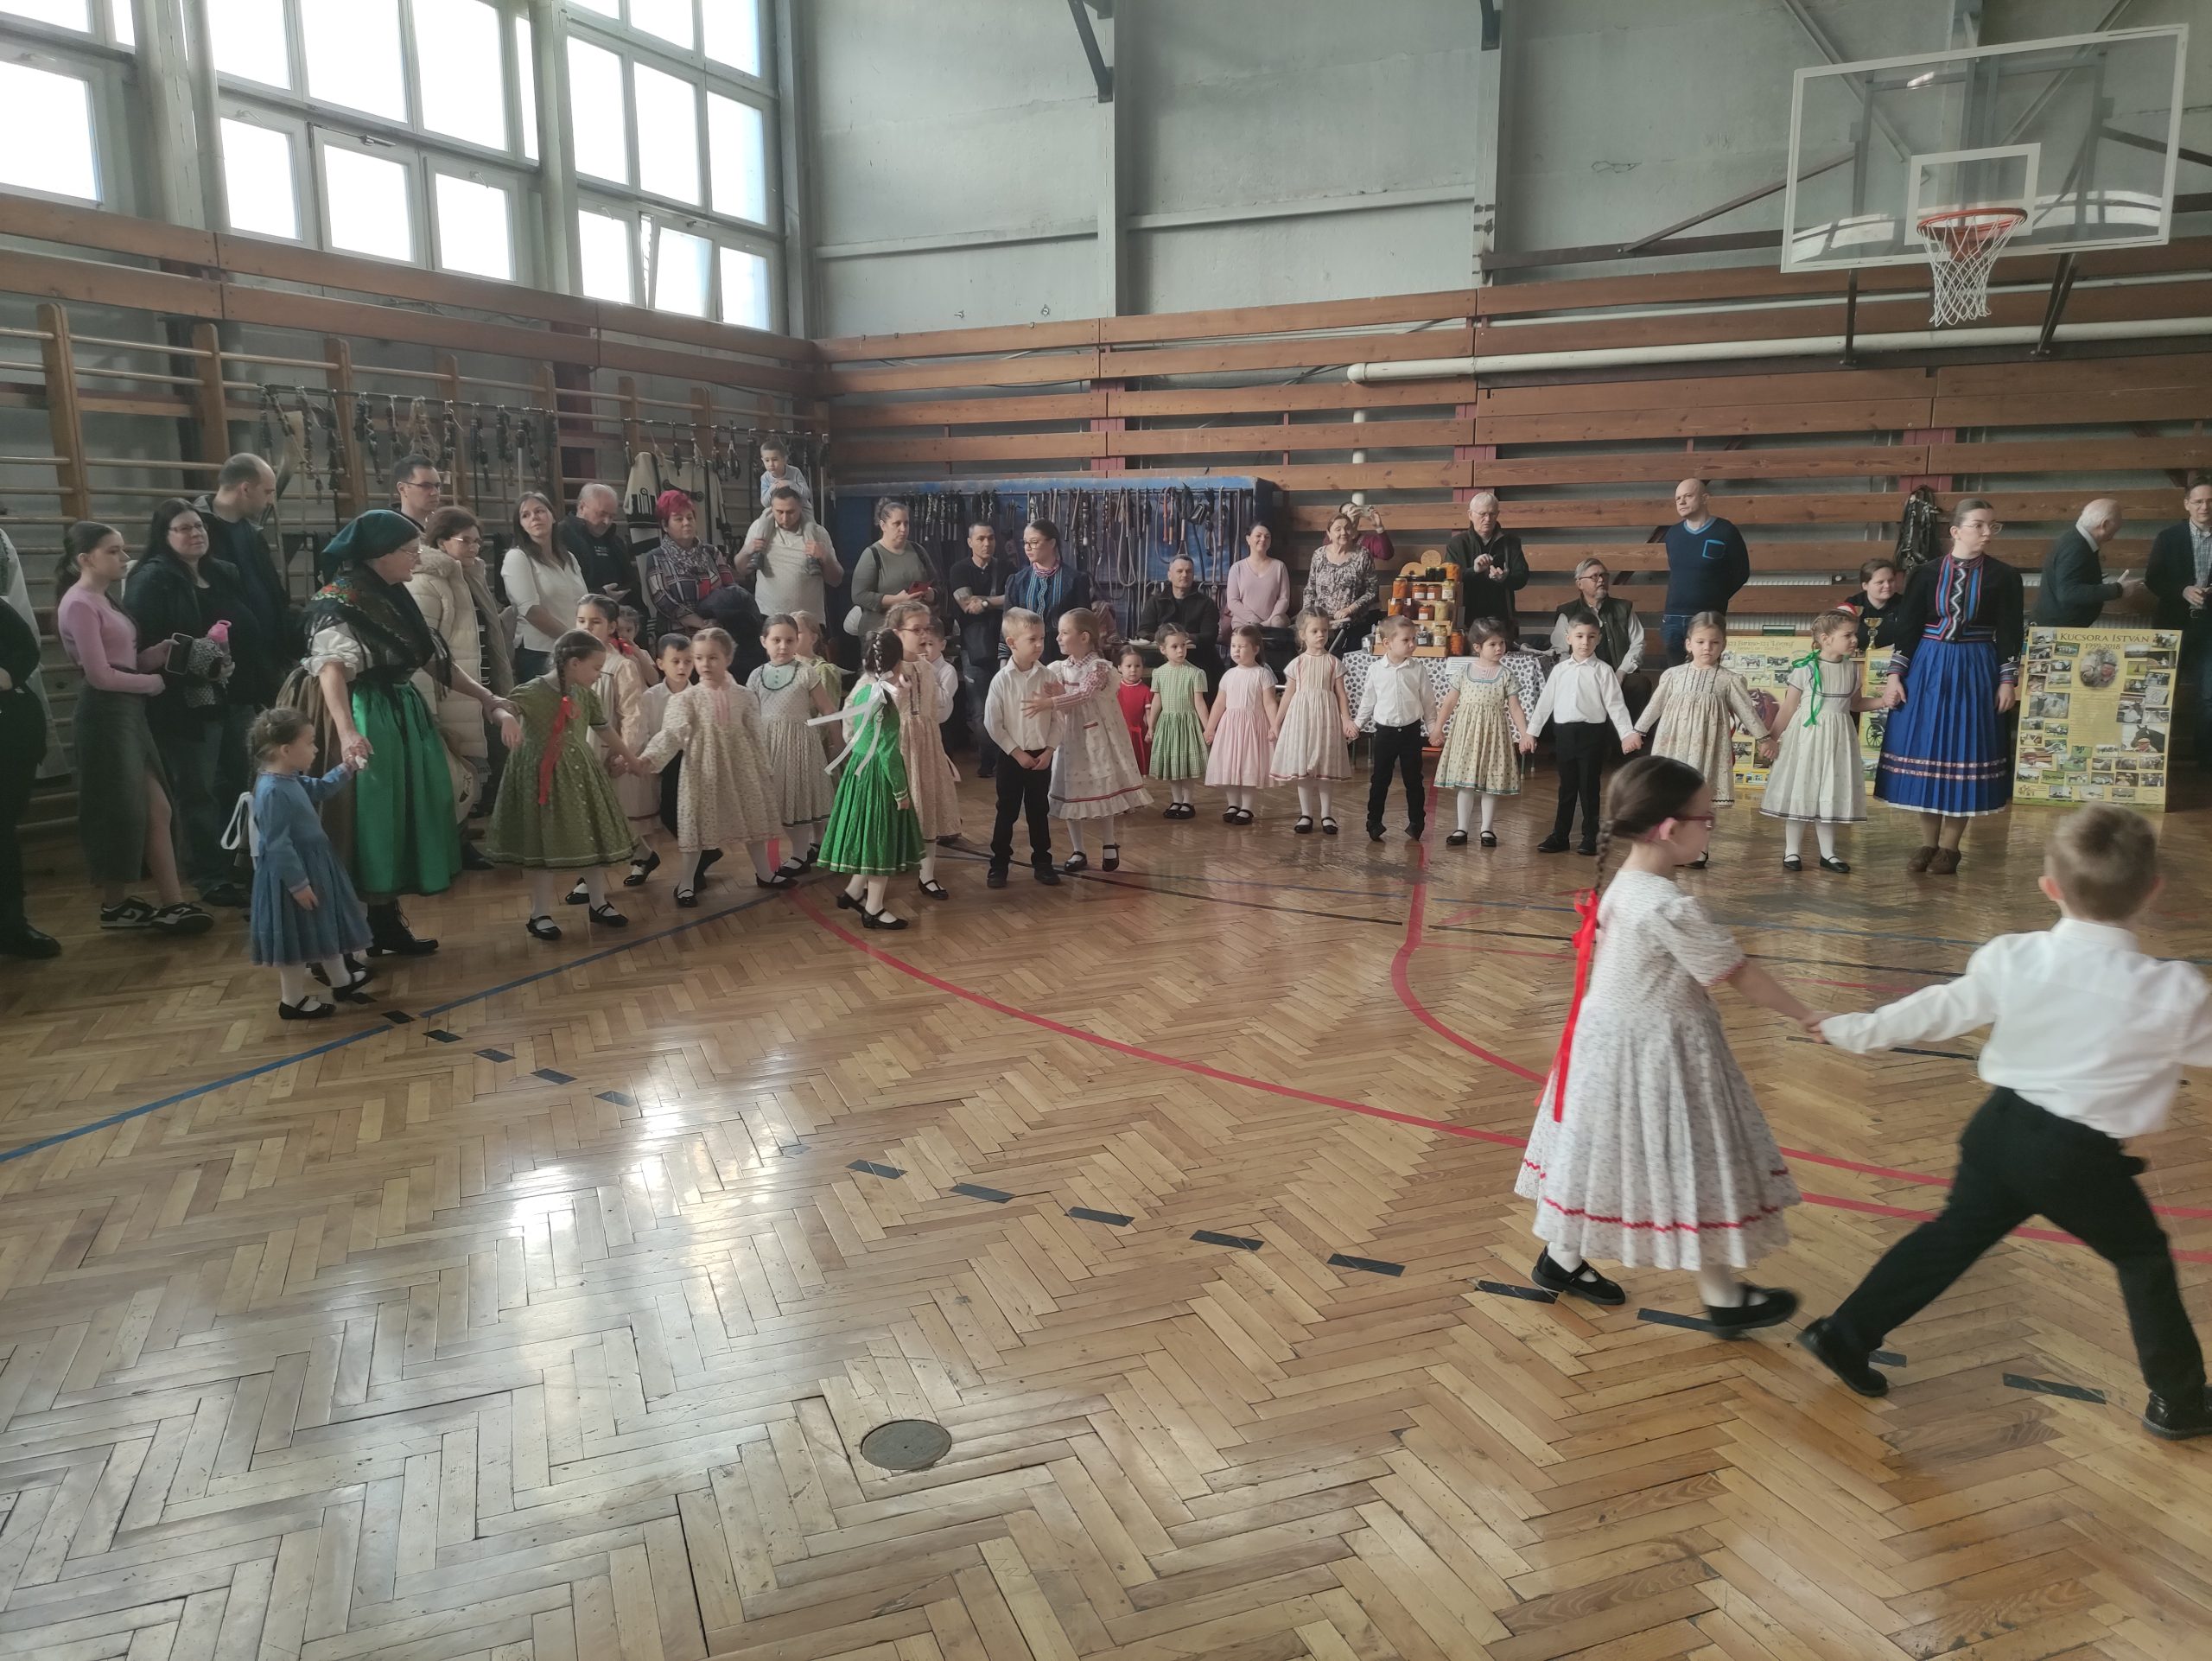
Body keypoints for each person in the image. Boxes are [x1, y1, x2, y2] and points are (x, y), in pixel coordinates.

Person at [1801, 805, 2212, 1440]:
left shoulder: (2014, 957)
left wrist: (1848, 1029)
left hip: (1999, 1132)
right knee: (2142, 1257)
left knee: (1951, 1237)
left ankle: (1845, 1334)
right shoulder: (2173, 991)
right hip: (2078, 1158)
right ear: (2153, 890)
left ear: (2049, 887)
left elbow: (1934, 1011)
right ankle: (2180, 1402)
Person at [1515, 754, 1814, 1327]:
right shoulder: (1667, 906)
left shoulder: (1625, 884)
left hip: (1609, 1048)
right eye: (1708, 819)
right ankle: (1722, 1298)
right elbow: (1739, 974)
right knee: (1691, 1163)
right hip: (1657, 1056)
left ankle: (1563, 1259)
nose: (1711, 828)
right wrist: (1806, 1015)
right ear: (1672, 829)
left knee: (1607, 1155)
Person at [306, 510, 518, 957]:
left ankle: (384, 922)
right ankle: (346, 939)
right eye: (408, 550)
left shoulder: (394, 595)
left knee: (399, 815)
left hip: (397, 711)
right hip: (362, 711)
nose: (417, 558)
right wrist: (347, 732)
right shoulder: (340, 599)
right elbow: (331, 670)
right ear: (379, 554)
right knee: (368, 818)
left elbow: (434, 660)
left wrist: (487, 698)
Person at [51, 522, 208, 937]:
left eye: (123, 549)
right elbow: (99, 675)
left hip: (127, 712)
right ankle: (124, 903)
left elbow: (122, 661)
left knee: (155, 809)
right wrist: (151, 683)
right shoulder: (79, 603)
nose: (124, 558)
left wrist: (155, 656)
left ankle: (161, 902)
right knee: (117, 809)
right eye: (113, 551)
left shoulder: (104, 600)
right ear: (85, 559)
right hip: (105, 715)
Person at [126, 497, 275, 910]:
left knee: (243, 783)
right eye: (184, 528)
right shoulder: (152, 580)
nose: (196, 534)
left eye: (200, 527)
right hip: (187, 702)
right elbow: (145, 644)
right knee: (199, 791)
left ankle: (244, 863)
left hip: (237, 694)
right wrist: (202, 661)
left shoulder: (223, 572)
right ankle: (210, 874)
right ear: (164, 536)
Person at [1873, 497, 2024, 875]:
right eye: (1979, 525)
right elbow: (1908, 628)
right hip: (1928, 667)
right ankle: (1927, 843)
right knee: (1928, 749)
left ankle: (1950, 848)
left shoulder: (2005, 576)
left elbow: (2010, 632)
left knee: (1965, 752)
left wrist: (2007, 681)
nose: (1988, 532)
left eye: (1992, 526)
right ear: (1956, 530)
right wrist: (1895, 676)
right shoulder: (1925, 573)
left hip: (1976, 667)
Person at [483, 628, 643, 941]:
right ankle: (539, 914)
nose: (599, 675)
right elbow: (500, 707)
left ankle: (598, 903)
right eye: (596, 668)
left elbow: (604, 729)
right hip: (541, 776)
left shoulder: (585, 694)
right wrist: (507, 719)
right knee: (543, 842)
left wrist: (631, 758)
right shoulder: (532, 691)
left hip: (580, 774)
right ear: (573, 663)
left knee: (592, 836)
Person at [635, 627, 791, 907]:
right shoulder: (686, 699)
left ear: (728, 658)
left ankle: (765, 873)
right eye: (699, 658)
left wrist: (765, 768)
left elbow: (756, 733)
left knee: (753, 817)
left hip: (742, 767)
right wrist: (648, 758)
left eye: (713, 658)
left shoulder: (744, 695)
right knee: (696, 824)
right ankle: (686, 883)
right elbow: (671, 734)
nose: (705, 664)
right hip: (702, 770)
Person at [238, 708, 372, 1020]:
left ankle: (341, 981)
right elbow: (277, 844)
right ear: (286, 750)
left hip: (312, 865)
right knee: (296, 937)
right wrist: (298, 885)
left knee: (323, 925)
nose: (315, 749)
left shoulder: (288, 778)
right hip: (293, 874)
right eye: (310, 743)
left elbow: (321, 789)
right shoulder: (272, 791)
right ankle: (292, 1000)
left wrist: (348, 766)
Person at [406, 506, 512, 853]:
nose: (474, 548)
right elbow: (422, 651)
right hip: (452, 694)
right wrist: (429, 711)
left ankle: (483, 841)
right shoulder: (426, 582)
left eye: (477, 541)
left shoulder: (472, 576)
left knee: (486, 767)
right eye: (465, 540)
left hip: (483, 686)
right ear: (441, 542)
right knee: (457, 772)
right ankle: (455, 848)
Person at [1022, 607, 1149, 872]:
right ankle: (1078, 849)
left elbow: (1085, 694)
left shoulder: (1099, 667)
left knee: (1102, 788)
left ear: (1084, 637)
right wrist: (1055, 695)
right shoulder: (1060, 668)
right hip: (1068, 739)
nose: (1058, 638)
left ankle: (1109, 843)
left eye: (1064, 633)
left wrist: (1051, 701)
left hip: (1094, 739)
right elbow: (1065, 699)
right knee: (1071, 791)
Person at [1634, 612, 1770, 850]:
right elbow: (1655, 705)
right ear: (1689, 644)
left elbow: (1747, 712)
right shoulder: (1673, 676)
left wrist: (1764, 738)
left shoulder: (1729, 680)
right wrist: (1638, 731)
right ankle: (1668, 843)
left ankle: (1699, 849)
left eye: (1714, 642)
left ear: (1723, 645)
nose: (1707, 647)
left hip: (1707, 749)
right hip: (1673, 745)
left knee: (1699, 796)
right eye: (1700, 642)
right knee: (1671, 792)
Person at [821, 629, 925, 930]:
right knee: (881, 843)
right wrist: (901, 792)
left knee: (868, 837)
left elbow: (855, 731)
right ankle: (874, 908)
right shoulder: (884, 701)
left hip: (859, 771)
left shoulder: (864, 691)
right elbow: (888, 752)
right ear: (897, 664)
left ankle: (855, 890)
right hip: (879, 777)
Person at [1761, 610, 1875, 875]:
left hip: (1838, 740)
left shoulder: (1852, 670)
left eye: (1855, 634)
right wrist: (1771, 739)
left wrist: (1884, 702)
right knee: (1801, 789)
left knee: (1829, 792)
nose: (1854, 640)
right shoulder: (1806, 669)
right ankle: (1792, 850)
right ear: (1825, 639)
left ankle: (1828, 853)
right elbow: (1788, 708)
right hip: (1807, 739)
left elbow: (1856, 704)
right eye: (1847, 635)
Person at [1529, 617, 1643, 856]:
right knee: (1567, 787)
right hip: (1565, 734)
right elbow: (1545, 703)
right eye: (1579, 636)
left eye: (1591, 637)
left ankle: (1591, 836)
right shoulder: (1560, 670)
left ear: (1598, 639)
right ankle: (1560, 835)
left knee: (1589, 787)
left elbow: (1615, 705)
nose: (1585, 642)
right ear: (1569, 638)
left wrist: (1627, 734)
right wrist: (1531, 733)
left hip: (1592, 734)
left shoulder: (1604, 671)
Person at [572, 595, 659, 890]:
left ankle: (590, 882)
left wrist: (626, 753)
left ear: (611, 626)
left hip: (608, 752)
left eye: (595, 622)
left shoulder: (621, 666)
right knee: (593, 814)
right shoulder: (570, 663)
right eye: (581, 621)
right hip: (580, 749)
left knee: (607, 815)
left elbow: (633, 715)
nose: (587, 627)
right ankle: (644, 856)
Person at [747, 614, 839, 875]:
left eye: (789, 640)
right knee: (778, 800)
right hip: (769, 746)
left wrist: (839, 744)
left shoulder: (805, 672)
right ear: (764, 641)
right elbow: (750, 714)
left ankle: (800, 854)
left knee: (797, 799)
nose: (783, 646)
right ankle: (802, 850)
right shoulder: (756, 675)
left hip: (799, 745)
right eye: (776, 640)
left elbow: (828, 709)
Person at [1433, 620, 1536, 849]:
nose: (1499, 648)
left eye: (1502, 643)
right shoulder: (1464, 672)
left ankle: (1487, 829)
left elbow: (1515, 708)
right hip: (1466, 734)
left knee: (1491, 781)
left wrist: (1525, 734)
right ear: (1477, 647)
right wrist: (1438, 727)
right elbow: (1449, 702)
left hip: (1494, 734)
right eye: (1493, 644)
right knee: (1465, 783)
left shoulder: (1506, 675)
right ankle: (1462, 827)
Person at [982, 608, 1063, 889]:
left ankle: (1043, 862)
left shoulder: (1048, 677)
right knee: (1007, 811)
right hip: (1012, 757)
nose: (1039, 645)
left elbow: (1058, 719)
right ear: (1012, 642)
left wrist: (1049, 751)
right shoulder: (1001, 680)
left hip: (1041, 757)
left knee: (1039, 811)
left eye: (1042, 638)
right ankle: (999, 864)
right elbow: (993, 723)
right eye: (1032, 639)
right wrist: (1017, 753)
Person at [887, 601, 960, 897]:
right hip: (897, 747)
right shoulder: (884, 670)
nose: (923, 635)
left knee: (928, 806)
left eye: (926, 629)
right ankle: (883, 871)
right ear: (897, 632)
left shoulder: (928, 669)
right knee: (894, 808)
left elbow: (933, 711)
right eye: (916, 629)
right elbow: (871, 711)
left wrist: (937, 750)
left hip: (927, 746)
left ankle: (927, 875)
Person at [199, 453, 299, 660]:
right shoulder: (197, 535)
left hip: (266, 654)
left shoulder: (253, 534)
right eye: (267, 492)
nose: (271, 501)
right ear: (245, 489)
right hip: (229, 656)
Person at [0, 590, 56, 957]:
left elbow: (25, 648)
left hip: (9, 732)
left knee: (2, 829)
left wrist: (5, 673)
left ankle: (11, 926)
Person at [1269, 611, 1357, 834]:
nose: (1321, 635)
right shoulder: (1297, 664)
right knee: (1304, 766)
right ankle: (1306, 814)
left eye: (1324, 630)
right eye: (1315, 631)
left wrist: (1346, 718)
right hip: (1302, 718)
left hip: (1326, 718)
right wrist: (1276, 723)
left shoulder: (1333, 663)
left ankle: (1327, 814)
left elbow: (1341, 695)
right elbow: (1288, 695)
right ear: (1303, 635)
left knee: (1324, 765)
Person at [2145, 475, 2212, 771]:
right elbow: (2153, 579)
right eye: (2198, 501)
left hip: (2209, 629)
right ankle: (2150, 760)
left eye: (2209, 501)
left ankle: (2205, 762)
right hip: (2171, 626)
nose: (2204, 507)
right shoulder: (2168, 537)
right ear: (2187, 504)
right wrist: (2182, 590)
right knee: (2158, 693)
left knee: (2209, 697)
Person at [1357, 615, 1436, 843]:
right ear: (1387, 643)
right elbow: (1368, 700)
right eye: (1406, 640)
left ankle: (1416, 822)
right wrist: (1358, 724)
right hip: (1385, 733)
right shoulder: (1375, 670)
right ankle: (1374, 821)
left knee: (1414, 779)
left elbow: (1428, 701)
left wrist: (1432, 728)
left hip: (1411, 732)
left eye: (1414, 639)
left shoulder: (1418, 669)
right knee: (1380, 779)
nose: (1412, 644)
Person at [1662, 479, 1750, 664]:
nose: (1681, 502)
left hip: (1708, 616)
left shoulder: (1726, 531)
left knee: (1707, 670)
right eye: (1678, 498)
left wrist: (1715, 596)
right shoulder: (1672, 534)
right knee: (1675, 673)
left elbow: (1741, 573)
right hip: (1673, 617)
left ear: (1705, 498)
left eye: (1688, 496)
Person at [951, 521, 1014, 770]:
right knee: (980, 707)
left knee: (1006, 704)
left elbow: (1014, 598)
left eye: (990, 538)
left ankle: (1006, 759)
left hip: (1005, 645)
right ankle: (988, 759)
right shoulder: (959, 569)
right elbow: (967, 604)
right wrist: (997, 601)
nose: (986, 543)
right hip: (973, 648)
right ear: (970, 542)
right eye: (980, 539)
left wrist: (985, 602)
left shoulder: (1007, 568)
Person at [504, 492, 588, 680]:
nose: (534, 518)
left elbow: (582, 602)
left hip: (575, 649)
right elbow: (531, 611)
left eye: (539, 511)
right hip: (540, 653)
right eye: (525, 515)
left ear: (553, 516)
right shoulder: (517, 557)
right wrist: (573, 639)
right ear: (521, 525)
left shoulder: (569, 558)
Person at [737, 487, 843, 626]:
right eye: (779, 512)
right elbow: (741, 569)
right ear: (771, 508)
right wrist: (747, 550)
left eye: (790, 512)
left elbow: (836, 580)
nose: (785, 518)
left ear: (800, 508)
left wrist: (825, 557)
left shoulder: (818, 533)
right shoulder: (759, 529)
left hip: (808, 621)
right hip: (769, 617)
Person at [1205, 627, 1279, 825]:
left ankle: (1247, 807)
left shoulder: (1262, 674)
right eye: (1233, 646)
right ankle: (1233, 804)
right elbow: (1219, 703)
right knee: (1230, 765)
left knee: (1248, 765)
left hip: (1252, 728)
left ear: (1255, 649)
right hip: (1230, 728)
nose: (1236, 650)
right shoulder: (1228, 675)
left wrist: (1274, 726)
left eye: (1242, 646)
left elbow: (1270, 703)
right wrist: (1210, 727)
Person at [640, 487, 734, 640]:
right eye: (678, 519)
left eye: (690, 518)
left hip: (715, 635)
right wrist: (701, 624)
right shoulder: (656, 557)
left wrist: (716, 621)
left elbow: (731, 590)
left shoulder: (712, 552)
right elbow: (662, 600)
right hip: (676, 640)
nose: (686, 523)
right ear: (665, 525)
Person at [2033, 498, 2143, 626]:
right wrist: (2118, 589)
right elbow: (2069, 593)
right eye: (2118, 524)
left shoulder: (2075, 540)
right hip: (2056, 631)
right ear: (2105, 525)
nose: (2118, 529)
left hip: (2058, 627)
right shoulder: (2076, 547)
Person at [1001, 519, 1091, 663]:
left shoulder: (1075, 580)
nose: (1028, 548)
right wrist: (1004, 661)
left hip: (1063, 660)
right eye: (1025, 542)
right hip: (1025, 660)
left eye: (1034, 542)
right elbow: (1008, 625)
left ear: (1052, 543)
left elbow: (1084, 625)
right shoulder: (1017, 581)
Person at [1443, 493, 1532, 640]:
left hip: (1502, 617)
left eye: (1492, 514)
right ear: (1470, 515)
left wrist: (1504, 578)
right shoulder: (1457, 544)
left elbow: (1522, 578)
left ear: (1498, 514)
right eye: (1482, 514)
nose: (1488, 519)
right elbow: (1448, 582)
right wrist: (1474, 571)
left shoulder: (1511, 543)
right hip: (1467, 618)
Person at [1145, 625, 1210, 818]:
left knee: (1186, 766)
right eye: (1175, 646)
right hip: (1168, 724)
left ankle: (1188, 802)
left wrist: (1208, 728)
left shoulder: (1196, 673)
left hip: (1187, 724)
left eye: (1183, 645)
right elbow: (1157, 700)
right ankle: (1176, 800)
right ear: (1163, 649)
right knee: (1173, 764)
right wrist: (1151, 726)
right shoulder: (1159, 673)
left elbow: (1199, 703)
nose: (1181, 650)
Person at [849, 500, 933, 634]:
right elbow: (859, 595)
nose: (903, 529)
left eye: (906, 523)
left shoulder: (919, 551)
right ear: (883, 526)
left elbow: (937, 584)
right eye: (897, 524)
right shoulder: (872, 554)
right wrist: (896, 600)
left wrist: (931, 594)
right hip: (881, 631)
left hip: (915, 630)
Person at [1135, 555, 1223, 684]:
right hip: (1161, 658)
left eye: (1189, 571)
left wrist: (1187, 638)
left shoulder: (1206, 603)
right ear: (1170, 575)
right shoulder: (1155, 602)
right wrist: (1167, 640)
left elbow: (1210, 635)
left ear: (1193, 575)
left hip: (1198, 659)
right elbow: (1143, 631)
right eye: (1179, 571)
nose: (1184, 575)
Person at [1549, 558, 1645, 673]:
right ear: (1579, 584)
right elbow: (1560, 651)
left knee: (1640, 682)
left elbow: (1638, 644)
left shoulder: (1624, 609)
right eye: (1594, 576)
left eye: (1604, 575)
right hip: (1579, 674)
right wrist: (1576, 675)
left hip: (1620, 674)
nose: (1601, 580)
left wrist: (1622, 672)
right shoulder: (1567, 613)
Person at [1302, 512, 1378, 655]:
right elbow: (1310, 589)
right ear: (1329, 533)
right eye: (1338, 529)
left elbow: (1372, 591)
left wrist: (1349, 609)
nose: (1343, 532)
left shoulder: (1363, 555)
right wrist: (1308, 617)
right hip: (1321, 626)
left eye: (1347, 528)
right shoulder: (1318, 555)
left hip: (1352, 625)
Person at [559, 482, 640, 611]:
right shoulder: (560, 536)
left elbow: (631, 583)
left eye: (611, 516)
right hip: (577, 614)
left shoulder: (615, 541)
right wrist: (600, 595)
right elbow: (558, 587)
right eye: (601, 514)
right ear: (582, 507)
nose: (607, 522)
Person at [1223, 523, 1294, 665]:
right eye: (1258, 536)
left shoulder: (1279, 566)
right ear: (1248, 539)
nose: (1263, 539)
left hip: (1273, 623)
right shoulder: (1237, 568)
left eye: (1267, 537)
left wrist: (1269, 621)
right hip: (1244, 623)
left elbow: (1284, 598)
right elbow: (1233, 601)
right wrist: (1254, 620)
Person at [1841, 557, 1904, 653]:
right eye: (1880, 582)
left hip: (1894, 658)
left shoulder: (1905, 603)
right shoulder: (1852, 605)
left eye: (1891, 580)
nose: (1887, 586)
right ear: (1865, 586)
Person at [1116, 646, 1152, 776]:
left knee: (1136, 769)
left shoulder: (1146, 691)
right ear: (1119, 668)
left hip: (1137, 735)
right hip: (1118, 732)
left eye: (1137, 666)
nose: (1133, 670)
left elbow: (1149, 714)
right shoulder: (1114, 689)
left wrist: (1151, 730)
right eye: (1128, 666)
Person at [757, 437, 810, 510]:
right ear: (762, 461)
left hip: (798, 507)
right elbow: (765, 503)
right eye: (767, 460)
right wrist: (773, 487)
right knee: (764, 518)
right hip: (776, 508)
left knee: (809, 517)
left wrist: (789, 484)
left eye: (775, 459)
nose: (771, 464)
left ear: (785, 459)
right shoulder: (765, 478)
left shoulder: (795, 472)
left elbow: (806, 494)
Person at [391, 453, 442, 528]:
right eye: (426, 486)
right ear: (402, 489)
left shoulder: (444, 527)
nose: (435, 492)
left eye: (437, 486)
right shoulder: (389, 529)